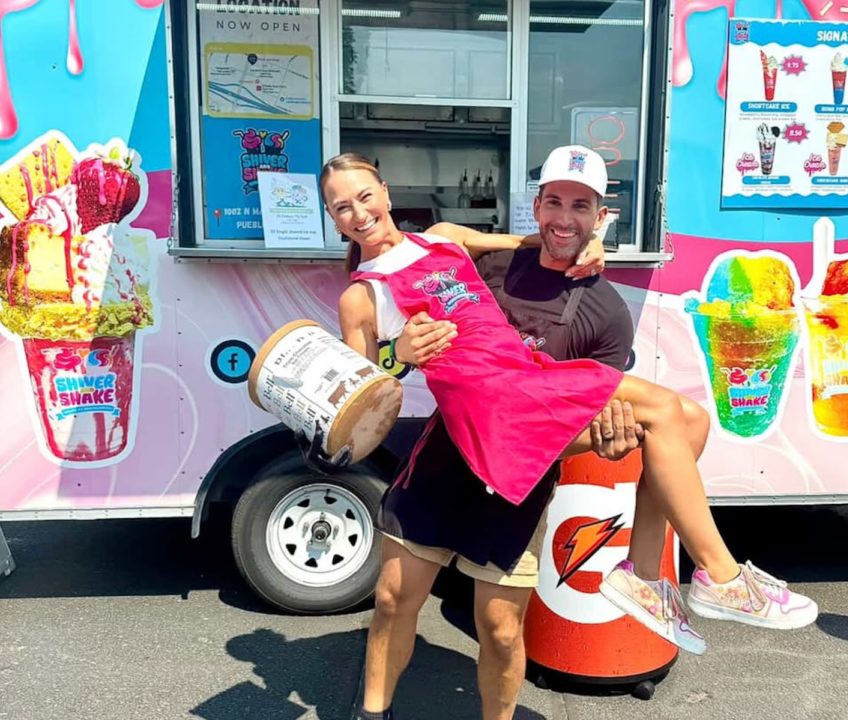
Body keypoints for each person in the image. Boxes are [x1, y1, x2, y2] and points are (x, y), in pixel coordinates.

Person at [321, 148, 818, 720]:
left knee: (686, 420)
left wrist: (589, 241)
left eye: (365, 197)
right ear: (332, 218)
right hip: (483, 413)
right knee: (391, 599)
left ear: (384, 191)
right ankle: (717, 577)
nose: (359, 214)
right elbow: (361, 395)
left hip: (526, 400)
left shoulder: (445, 239)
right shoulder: (359, 295)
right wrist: (397, 354)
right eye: (342, 207)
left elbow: (525, 243)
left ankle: (649, 579)